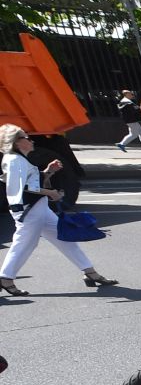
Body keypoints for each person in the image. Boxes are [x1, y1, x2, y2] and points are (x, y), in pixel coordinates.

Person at [1, 123, 115, 294]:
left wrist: (48, 172)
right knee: (25, 243)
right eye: (26, 137)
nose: (30, 139)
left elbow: (32, 182)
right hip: (29, 210)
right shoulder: (14, 160)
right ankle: (5, 278)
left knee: (64, 237)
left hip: (38, 208)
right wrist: (51, 193)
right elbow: (22, 187)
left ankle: (90, 272)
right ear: (16, 142)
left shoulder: (20, 159)